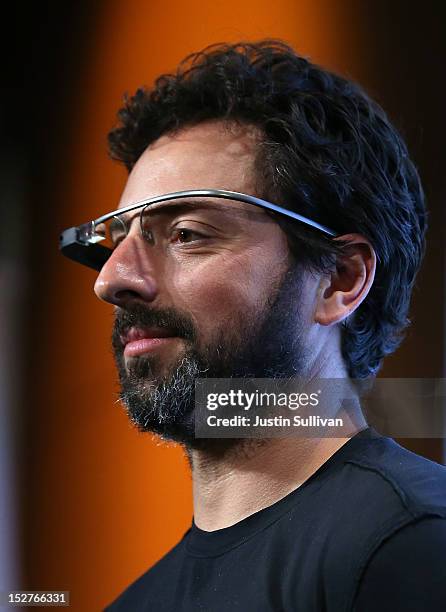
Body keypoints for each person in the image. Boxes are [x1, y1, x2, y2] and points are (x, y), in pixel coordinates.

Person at [65, 40, 446, 610]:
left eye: (187, 233)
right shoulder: (135, 604)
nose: (112, 280)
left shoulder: (412, 545)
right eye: (119, 242)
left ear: (339, 279)